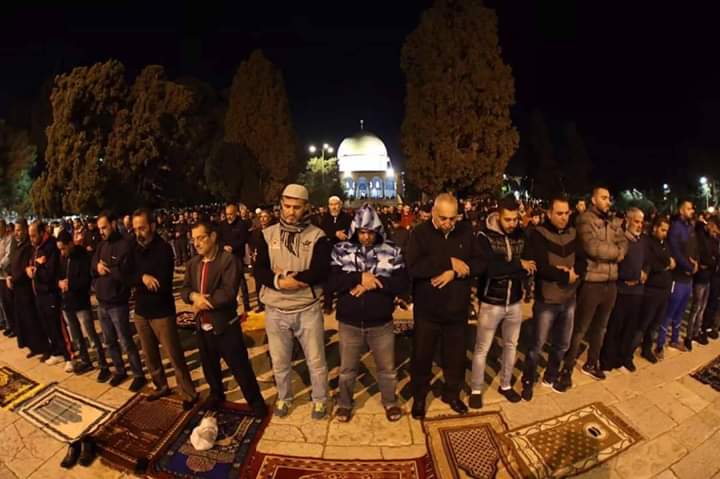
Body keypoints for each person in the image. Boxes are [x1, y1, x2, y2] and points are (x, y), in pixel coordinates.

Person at [253, 184, 332, 419]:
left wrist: (294, 280)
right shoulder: (267, 235)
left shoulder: (317, 236)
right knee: (279, 360)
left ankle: (320, 399)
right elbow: (259, 269)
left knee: (315, 359)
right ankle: (284, 397)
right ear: (281, 205)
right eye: (287, 206)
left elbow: (320, 269)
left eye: (296, 207)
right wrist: (278, 281)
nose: (291, 212)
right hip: (276, 308)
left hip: (307, 308)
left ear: (306, 207)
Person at [405, 193, 484, 419]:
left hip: (456, 310)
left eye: (452, 218)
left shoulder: (466, 232)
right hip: (427, 311)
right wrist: (448, 262)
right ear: (433, 213)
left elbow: (480, 263)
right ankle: (420, 396)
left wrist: (455, 273)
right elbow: (413, 267)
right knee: (422, 357)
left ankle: (452, 394)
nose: (448, 223)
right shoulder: (419, 234)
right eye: (443, 218)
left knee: (456, 357)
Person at [328, 205, 408, 422]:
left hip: (380, 321)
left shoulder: (392, 251)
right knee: (347, 368)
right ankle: (345, 403)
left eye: (370, 232)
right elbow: (332, 281)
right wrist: (358, 278)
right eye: (362, 232)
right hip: (350, 321)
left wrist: (374, 283)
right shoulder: (341, 250)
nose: (366, 237)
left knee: (387, 367)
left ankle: (390, 401)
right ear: (355, 230)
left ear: (378, 230)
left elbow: (402, 283)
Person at [182, 220, 267, 416]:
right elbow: (185, 289)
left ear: (213, 237)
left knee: (240, 368)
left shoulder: (228, 260)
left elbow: (228, 292)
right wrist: (193, 296)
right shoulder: (193, 264)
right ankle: (216, 395)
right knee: (210, 367)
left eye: (201, 238)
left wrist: (203, 301)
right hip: (202, 326)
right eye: (194, 239)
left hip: (225, 326)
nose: (197, 243)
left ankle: (256, 403)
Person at [470, 197, 534, 407]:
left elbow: (529, 265)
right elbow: (490, 269)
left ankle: (505, 384)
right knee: (482, 348)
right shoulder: (484, 236)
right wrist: (518, 264)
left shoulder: (521, 234)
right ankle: (476, 388)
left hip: (514, 301)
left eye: (515, 219)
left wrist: (517, 268)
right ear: (498, 216)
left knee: (511, 345)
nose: (512, 224)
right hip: (491, 301)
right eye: (508, 219)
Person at [521, 196, 586, 399]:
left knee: (562, 343)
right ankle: (528, 379)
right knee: (537, 345)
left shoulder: (573, 233)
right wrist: (565, 275)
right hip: (547, 299)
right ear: (549, 213)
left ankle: (551, 375)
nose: (564, 217)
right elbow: (541, 265)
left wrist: (575, 271)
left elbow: (583, 260)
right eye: (559, 213)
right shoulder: (538, 234)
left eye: (566, 213)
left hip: (569, 298)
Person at [131, 209, 198, 407]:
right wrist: (142, 278)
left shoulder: (163, 249)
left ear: (152, 226)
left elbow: (162, 283)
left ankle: (188, 392)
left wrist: (139, 278)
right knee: (150, 355)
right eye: (135, 229)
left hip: (161, 311)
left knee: (174, 354)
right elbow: (125, 274)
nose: (138, 233)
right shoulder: (133, 248)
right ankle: (160, 385)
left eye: (142, 228)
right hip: (141, 310)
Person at [561, 187, 628, 383]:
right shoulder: (585, 219)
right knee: (580, 328)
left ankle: (591, 363)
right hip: (592, 283)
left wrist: (616, 250)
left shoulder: (613, 221)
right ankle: (567, 367)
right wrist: (616, 253)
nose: (608, 201)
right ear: (593, 199)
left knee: (601, 327)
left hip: (610, 283)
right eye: (604, 198)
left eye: (609, 198)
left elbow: (624, 243)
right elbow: (592, 248)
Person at [91, 211, 147, 391]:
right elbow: (93, 265)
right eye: (99, 229)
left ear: (113, 224)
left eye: (104, 227)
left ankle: (138, 374)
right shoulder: (101, 245)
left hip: (118, 302)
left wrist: (110, 269)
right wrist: (98, 267)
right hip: (102, 302)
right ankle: (119, 370)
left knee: (125, 341)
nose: (101, 232)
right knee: (109, 341)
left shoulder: (125, 244)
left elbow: (124, 271)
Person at [599, 208, 647, 372]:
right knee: (615, 327)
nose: (639, 225)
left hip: (637, 292)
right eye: (636, 221)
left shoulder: (642, 241)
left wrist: (644, 273)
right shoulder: (620, 240)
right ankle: (607, 361)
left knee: (629, 328)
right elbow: (616, 265)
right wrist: (633, 276)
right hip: (621, 290)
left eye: (641, 222)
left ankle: (622, 359)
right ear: (628, 221)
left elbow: (647, 262)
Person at [56, 231, 109, 377]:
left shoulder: (82, 255)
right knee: (76, 336)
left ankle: (103, 363)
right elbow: (58, 275)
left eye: (63, 248)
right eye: (60, 249)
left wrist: (70, 284)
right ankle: (85, 360)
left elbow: (86, 279)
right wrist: (59, 283)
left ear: (70, 244)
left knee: (91, 334)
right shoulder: (62, 258)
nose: (62, 252)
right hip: (67, 303)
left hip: (80, 302)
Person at [28, 221, 72, 369]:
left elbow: (50, 272)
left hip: (50, 293)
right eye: (30, 236)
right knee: (48, 326)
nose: (31, 239)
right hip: (39, 293)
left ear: (42, 233)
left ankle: (69, 356)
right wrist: (30, 269)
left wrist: (38, 269)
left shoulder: (51, 246)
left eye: (34, 235)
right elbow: (33, 264)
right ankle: (57, 351)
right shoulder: (36, 247)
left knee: (58, 326)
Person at [657, 200, 697, 357]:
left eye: (692, 208)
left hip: (688, 279)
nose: (692, 211)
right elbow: (675, 252)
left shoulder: (690, 227)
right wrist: (688, 266)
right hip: (678, 277)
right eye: (688, 208)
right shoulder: (675, 228)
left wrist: (696, 263)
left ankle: (674, 339)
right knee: (670, 311)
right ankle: (660, 344)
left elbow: (695, 248)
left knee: (680, 311)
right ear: (681, 210)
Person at [636, 216, 675, 363]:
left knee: (655, 323)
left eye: (667, 230)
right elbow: (653, 263)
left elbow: (670, 260)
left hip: (664, 290)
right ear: (655, 228)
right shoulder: (648, 242)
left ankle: (646, 349)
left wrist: (666, 262)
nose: (665, 233)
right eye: (662, 230)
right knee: (643, 323)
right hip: (652, 290)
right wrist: (666, 263)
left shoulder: (665, 243)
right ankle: (628, 352)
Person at [8, 219, 49, 358]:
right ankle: (33, 346)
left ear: (25, 230)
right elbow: (13, 264)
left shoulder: (28, 247)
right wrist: (9, 276)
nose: (17, 233)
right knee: (24, 321)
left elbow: (26, 267)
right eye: (15, 230)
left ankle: (43, 347)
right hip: (17, 289)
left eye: (19, 230)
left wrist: (15, 277)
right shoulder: (17, 245)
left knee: (32, 320)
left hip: (26, 289)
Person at [686, 215, 719, 349]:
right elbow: (704, 256)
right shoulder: (700, 235)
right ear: (710, 224)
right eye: (715, 230)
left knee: (702, 308)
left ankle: (697, 332)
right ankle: (689, 336)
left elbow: (714, 256)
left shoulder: (712, 239)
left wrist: (710, 261)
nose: (715, 233)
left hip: (708, 277)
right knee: (696, 308)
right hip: (700, 277)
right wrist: (710, 261)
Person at [319, 196, 352, 314]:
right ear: (328, 206)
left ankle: (343, 304)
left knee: (343, 279)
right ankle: (328, 304)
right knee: (327, 280)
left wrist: (338, 234)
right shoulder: (324, 218)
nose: (334, 207)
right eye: (331, 204)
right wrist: (335, 233)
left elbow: (349, 233)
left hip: (343, 253)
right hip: (327, 253)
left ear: (340, 205)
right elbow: (322, 232)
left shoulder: (347, 218)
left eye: (336, 204)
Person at [218, 203, 252, 312]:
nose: (229, 216)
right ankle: (229, 303)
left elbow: (244, 239)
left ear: (236, 213)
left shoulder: (241, 224)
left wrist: (232, 247)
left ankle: (246, 305)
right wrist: (224, 246)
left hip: (237, 256)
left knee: (241, 281)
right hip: (225, 256)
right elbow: (218, 239)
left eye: (231, 214)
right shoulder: (222, 225)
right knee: (225, 280)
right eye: (227, 214)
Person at [248, 209, 275, 313]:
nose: (263, 219)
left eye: (265, 217)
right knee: (258, 283)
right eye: (261, 217)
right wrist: (252, 255)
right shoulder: (256, 232)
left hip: (270, 260)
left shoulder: (274, 231)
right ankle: (260, 304)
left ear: (270, 218)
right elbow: (252, 245)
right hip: (258, 261)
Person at [0, 219, 16, 337]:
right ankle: (9, 325)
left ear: (4, 227)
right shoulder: (1, 240)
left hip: (7, 275)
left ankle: (15, 327)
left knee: (10, 303)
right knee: (3, 303)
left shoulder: (10, 239)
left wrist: (0, 265)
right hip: (0, 276)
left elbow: (8, 256)